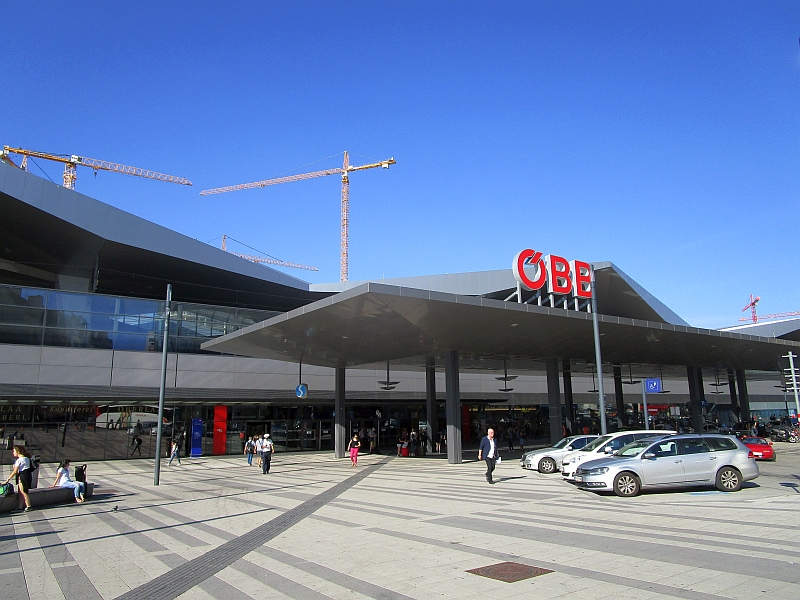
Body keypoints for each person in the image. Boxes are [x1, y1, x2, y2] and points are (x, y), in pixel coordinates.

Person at [4, 446, 33, 511]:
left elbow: (15, 471)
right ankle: (20, 507)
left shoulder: (19, 460)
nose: (13, 453)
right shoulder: (27, 458)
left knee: (23, 491)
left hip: (22, 476)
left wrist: (8, 479)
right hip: (27, 475)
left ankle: (29, 506)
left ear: (18, 452)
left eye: (14, 451)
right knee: (21, 492)